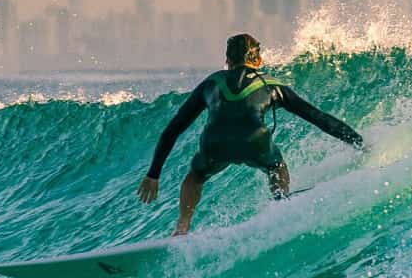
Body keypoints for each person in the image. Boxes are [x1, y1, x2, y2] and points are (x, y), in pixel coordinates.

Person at [137, 33, 365, 235]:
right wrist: (359, 143)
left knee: (195, 176)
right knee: (276, 166)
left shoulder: (211, 83)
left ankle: (182, 227)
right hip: (255, 141)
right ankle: (281, 206)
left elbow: (173, 128)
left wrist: (153, 174)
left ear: (227, 61)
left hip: (215, 143)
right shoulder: (272, 84)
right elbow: (318, 118)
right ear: (258, 60)